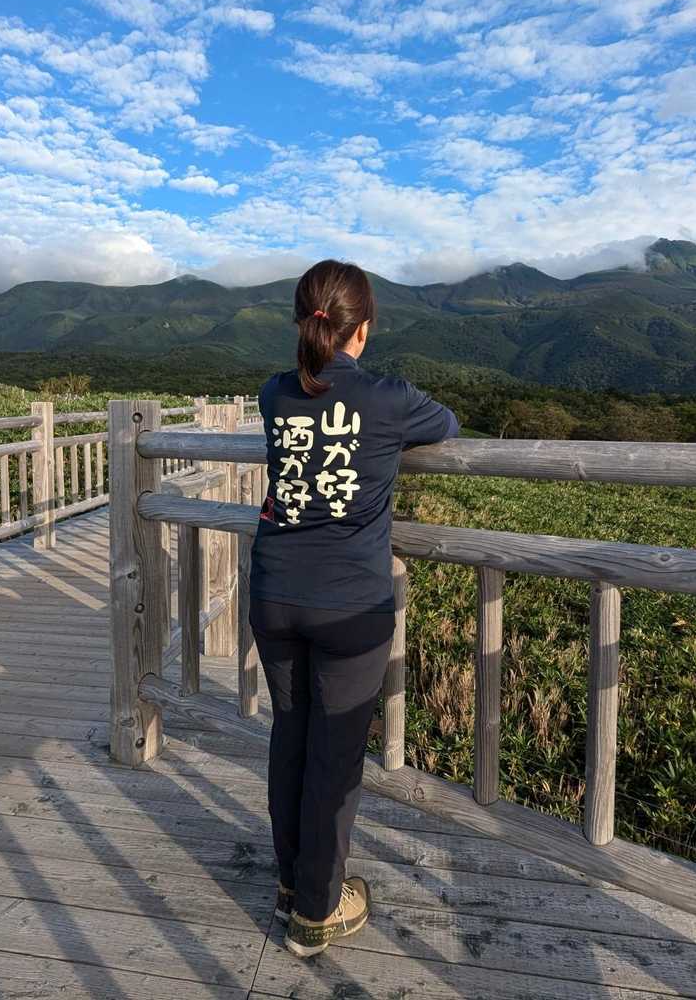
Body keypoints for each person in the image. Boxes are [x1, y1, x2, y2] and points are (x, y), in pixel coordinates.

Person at [248, 259, 460, 957]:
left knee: (291, 735)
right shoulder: (391, 398)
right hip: (350, 606)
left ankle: (292, 882)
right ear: (362, 329)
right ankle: (317, 910)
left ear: (301, 323)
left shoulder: (274, 393)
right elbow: (450, 423)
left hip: (274, 592)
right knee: (335, 757)